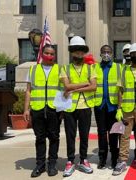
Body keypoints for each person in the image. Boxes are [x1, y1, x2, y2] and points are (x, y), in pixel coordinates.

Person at [60, 36, 97, 177]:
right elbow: (67, 86)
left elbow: (94, 87)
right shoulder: (65, 68)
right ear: (72, 52)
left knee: (84, 135)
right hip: (70, 107)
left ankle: (83, 159)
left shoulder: (90, 68)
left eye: (81, 52)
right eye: (76, 51)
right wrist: (85, 84)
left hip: (85, 106)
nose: (79, 54)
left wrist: (75, 89)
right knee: (70, 135)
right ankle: (70, 161)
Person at [113, 43, 136, 175]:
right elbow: (120, 91)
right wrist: (119, 108)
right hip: (127, 109)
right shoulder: (124, 71)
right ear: (130, 55)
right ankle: (122, 160)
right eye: (134, 54)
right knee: (124, 136)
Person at [23, 44, 61, 178]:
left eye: (52, 54)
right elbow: (28, 91)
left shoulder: (59, 69)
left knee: (54, 137)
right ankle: (40, 165)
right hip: (37, 109)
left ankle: (52, 164)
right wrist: (26, 109)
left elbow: (64, 90)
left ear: (54, 55)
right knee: (39, 138)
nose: (49, 56)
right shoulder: (33, 69)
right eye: (47, 53)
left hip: (53, 109)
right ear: (42, 53)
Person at [93, 45, 122, 170]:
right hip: (99, 105)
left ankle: (114, 159)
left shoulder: (118, 67)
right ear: (100, 54)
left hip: (113, 106)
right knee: (101, 133)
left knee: (113, 133)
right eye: (104, 52)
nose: (106, 54)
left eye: (108, 52)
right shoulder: (94, 67)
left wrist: (120, 107)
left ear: (112, 54)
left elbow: (121, 89)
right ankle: (102, 159)